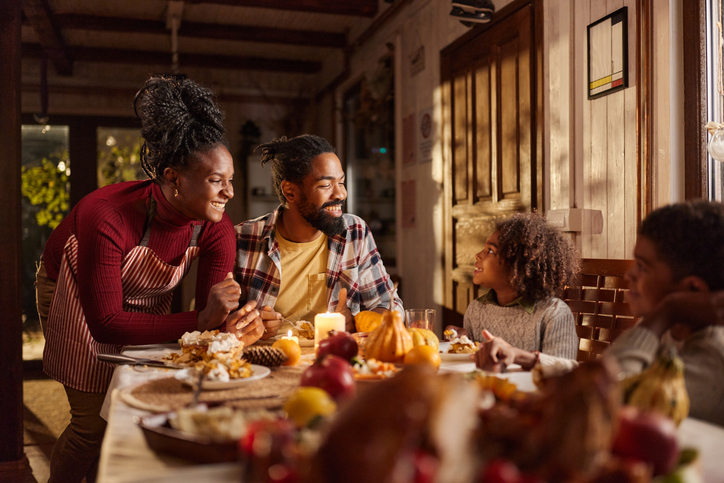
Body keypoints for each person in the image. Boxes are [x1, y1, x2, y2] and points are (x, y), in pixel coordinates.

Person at [35, 75, 268, 483]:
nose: (229, 192)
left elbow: (211, 323)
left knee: (136, 410)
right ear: (173, 178)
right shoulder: (105, 214)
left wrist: (240, 320)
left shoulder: (216, 228)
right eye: (217, 180)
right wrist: (201, 319)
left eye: (230, 180)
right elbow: (106, 321)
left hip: (144, 298)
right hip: (72, 289)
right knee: (92, 428)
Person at [235, 134, 403, 335]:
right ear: (290, 191)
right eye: (325, 185)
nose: (340, 194)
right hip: (266, 361)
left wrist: (359, 321)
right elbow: (220, 325)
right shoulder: (243, 238)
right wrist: (250, 323)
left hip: (337, 358)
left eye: (341, 182)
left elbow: (390, 305)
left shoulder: (354, 232)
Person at [607, 200, 724, 426]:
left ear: (692, 290)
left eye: (642, 267)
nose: (628, 274)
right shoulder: (671, 334)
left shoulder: (712, 358)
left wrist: (665, 312)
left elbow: (607, 402)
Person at [450, 212, 580, 372]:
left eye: (490, 251)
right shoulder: (476, 309)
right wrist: (464, 339)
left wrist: (517, 356)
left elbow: (567, 371)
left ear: (518, 267)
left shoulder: (553, 313)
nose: (477, 255)